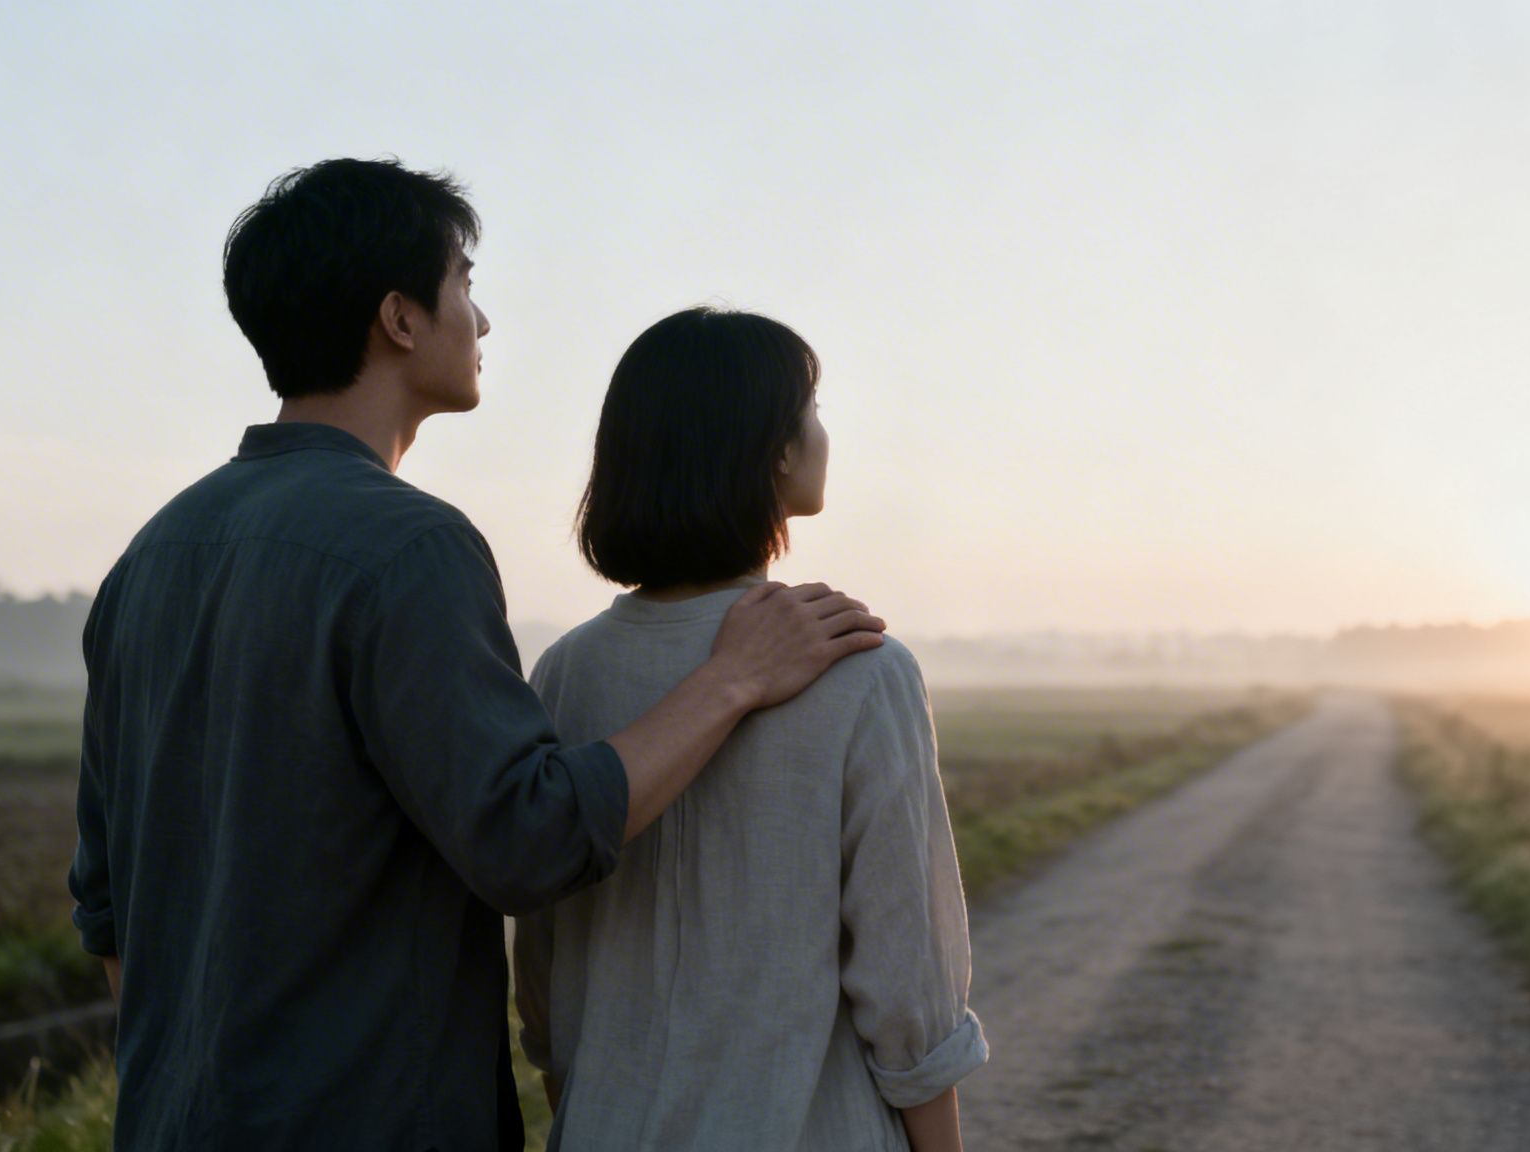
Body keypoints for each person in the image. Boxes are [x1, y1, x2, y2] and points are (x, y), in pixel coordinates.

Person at [66, 160, 886, 1151]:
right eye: (462, 284)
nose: (482, 321)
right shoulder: (407, 548)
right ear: (399, 319)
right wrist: (733, 678)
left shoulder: (150, 559)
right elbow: (526, 838)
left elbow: (106, 909)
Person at [514, 307, 985, 1151]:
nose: (822, 434)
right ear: (774, 452)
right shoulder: (862, 668)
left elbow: (544, 970)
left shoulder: (565, 673)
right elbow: (908, 982)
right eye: (810, 410)